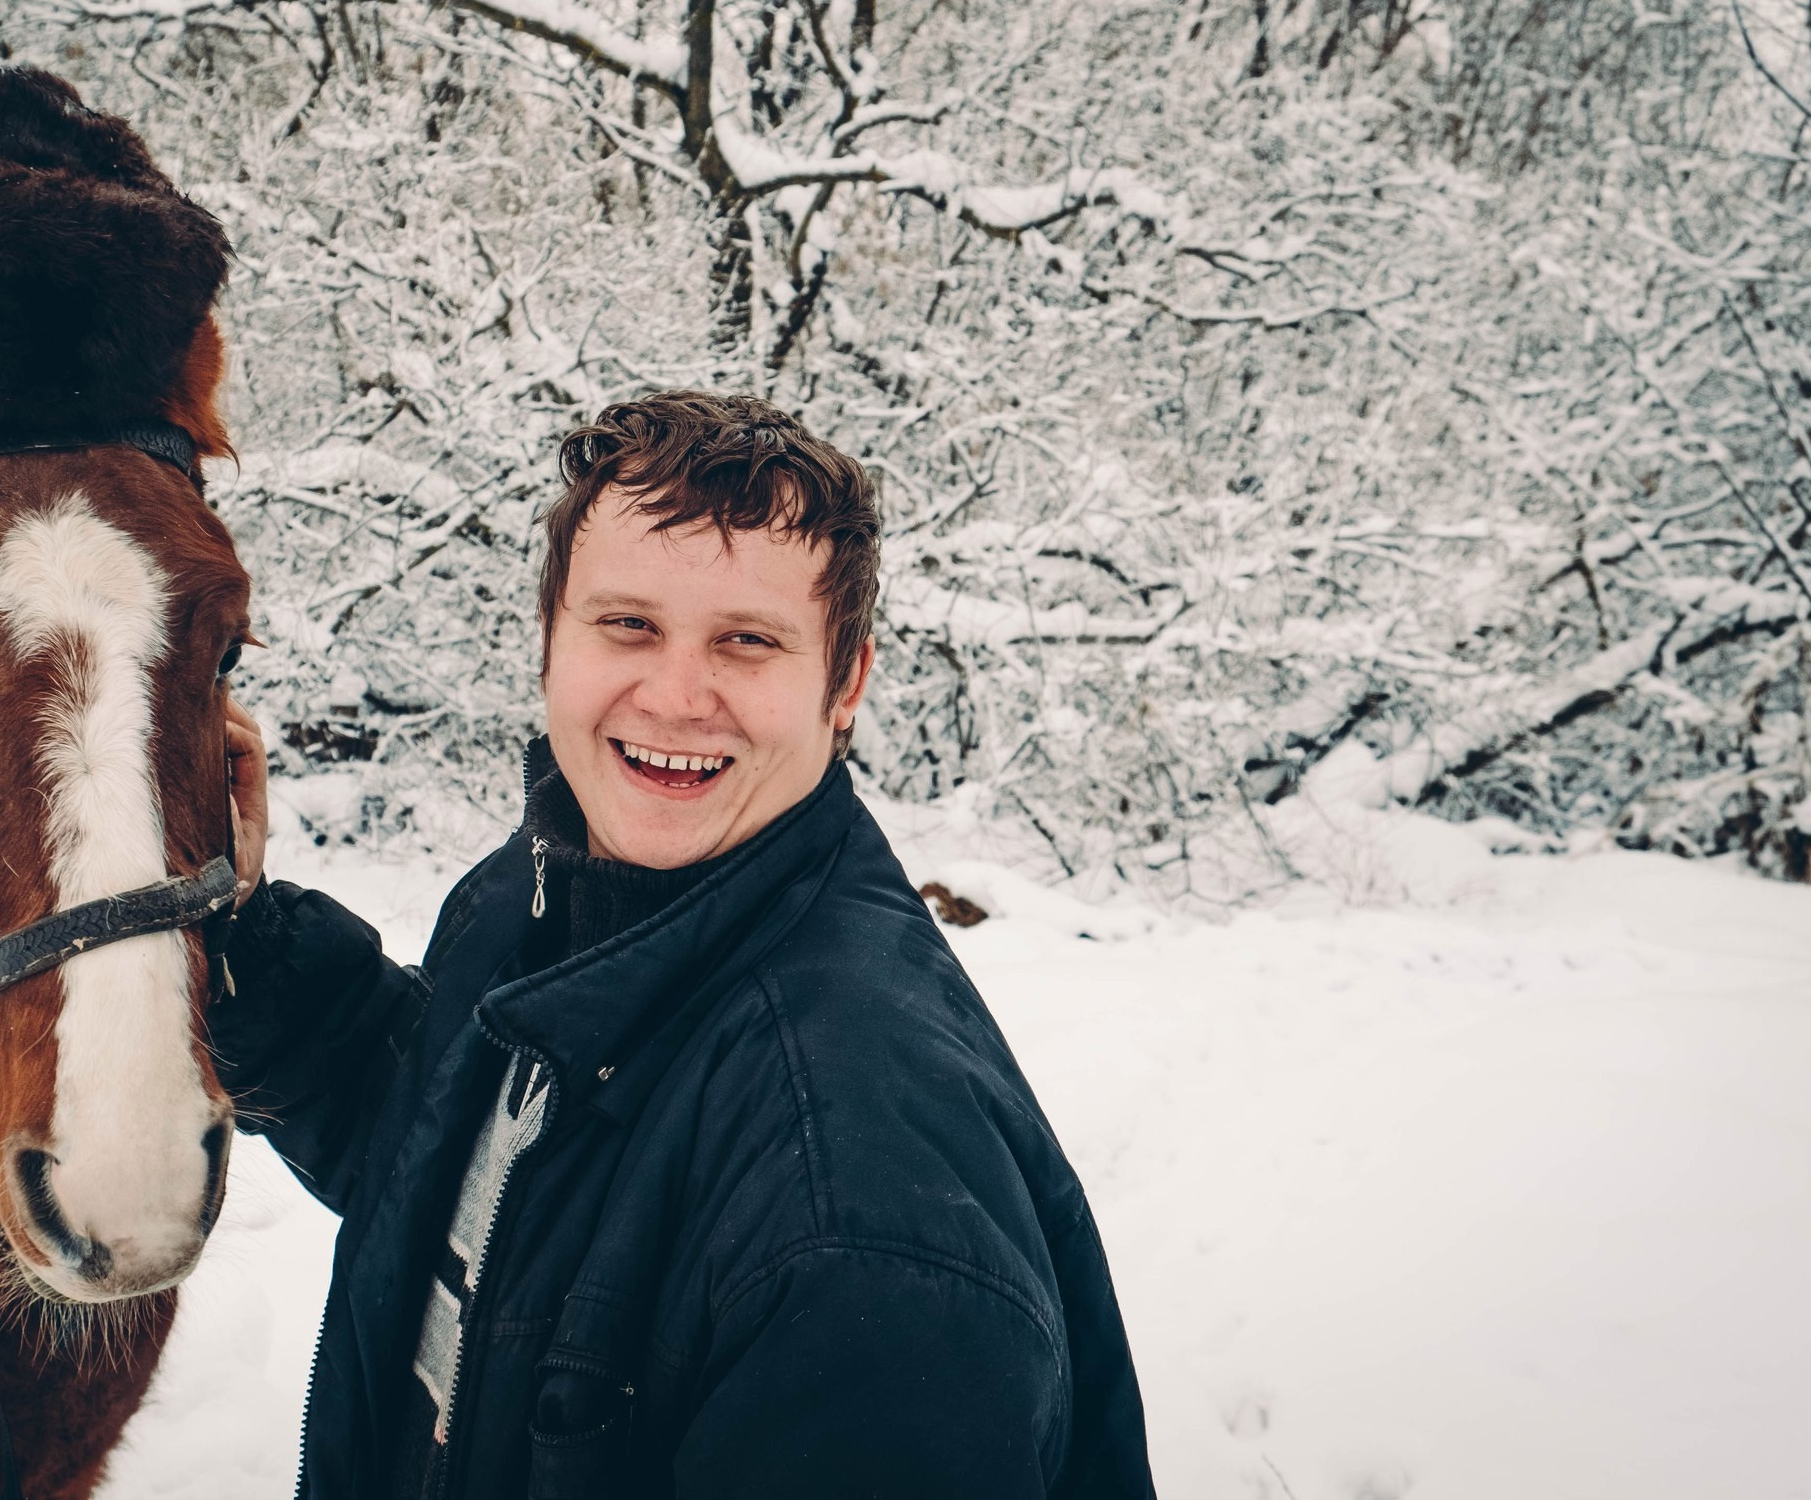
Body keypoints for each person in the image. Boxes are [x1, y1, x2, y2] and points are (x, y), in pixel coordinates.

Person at [214, 391, 1154, 1499]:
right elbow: (476, 1178)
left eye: (747, 642)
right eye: (627, 625)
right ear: (550, 638)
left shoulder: (855, 1212)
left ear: (843, 682)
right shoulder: (542, 892)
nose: (672, 697)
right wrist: (238, 933)